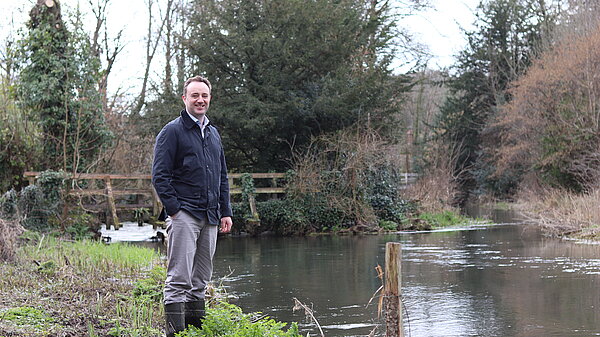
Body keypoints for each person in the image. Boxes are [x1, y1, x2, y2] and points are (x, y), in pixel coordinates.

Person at [152, 75, 233, 336]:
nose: (200, 100)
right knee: (179, 279)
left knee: (200, 281)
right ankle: (174, 334)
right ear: (185, 98)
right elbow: (160, 176)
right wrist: (174, 210)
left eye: (204, 96)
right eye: (195, 95)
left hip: (210, 217)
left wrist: (225, 211)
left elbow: (221, 175)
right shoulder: (172, 131)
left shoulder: (213, 134)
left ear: (210, 98)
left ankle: (195, 332)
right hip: (184, 214)